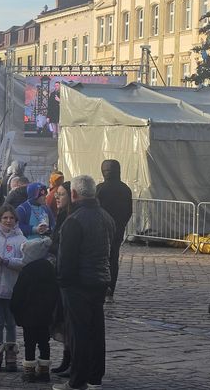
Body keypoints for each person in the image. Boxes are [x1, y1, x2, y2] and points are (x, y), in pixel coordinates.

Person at [53, 175, 114, 390]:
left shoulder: (74, 220)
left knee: (78, 333)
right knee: (96, 331)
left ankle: (77, 381)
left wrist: (63, 282)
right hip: (99, 280)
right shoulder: (106, 216)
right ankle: (94, 377)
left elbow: (66, 258)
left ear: (74, 194)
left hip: (78, 283)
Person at [10, 238, 59, 383]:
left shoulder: (27, 271)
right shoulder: (51, 270)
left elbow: (18, 293)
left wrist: (14, 309)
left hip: (28, 316)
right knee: (44, 342)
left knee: (29, 343)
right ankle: (44, 371)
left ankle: (29, 370)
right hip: (45, 315)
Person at [0, 204, 26, 373]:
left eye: (11, 218)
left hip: (13, 287)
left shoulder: (20, 239)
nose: (8, 221)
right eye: (5, 218)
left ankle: (11, 354)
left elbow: (25, 262)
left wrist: (7, 262)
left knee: (11, 323)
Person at [96, 159, 133, 302]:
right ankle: (111, 287)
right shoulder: (125, 189)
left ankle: (103, 286)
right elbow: (128, 211)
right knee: (113, 259)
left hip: (102, 230)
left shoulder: (100, 188)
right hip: (118, 229)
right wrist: (122, 224)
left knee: (101, 258)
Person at [50, 181, 73, 377]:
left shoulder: (71, 218)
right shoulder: (61, 215)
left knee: (69, 321)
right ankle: (66, 358)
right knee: (63, 321)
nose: (57, 197)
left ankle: (72, 359)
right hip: (59, 274)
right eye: (57, 194)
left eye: (61, 194)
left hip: (68, 277)